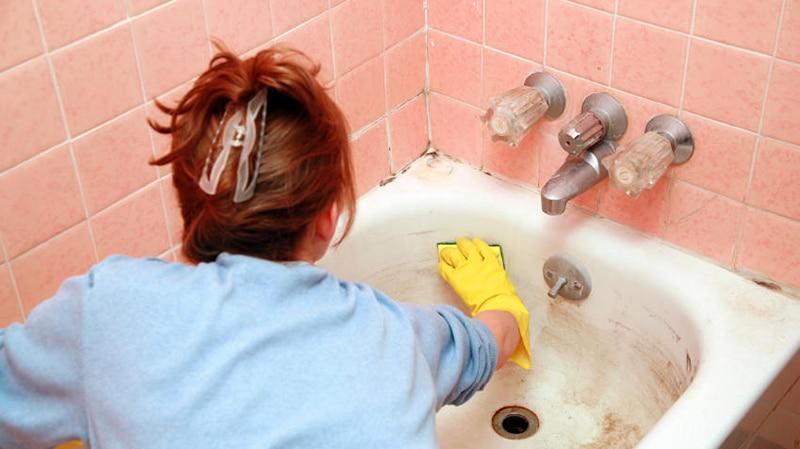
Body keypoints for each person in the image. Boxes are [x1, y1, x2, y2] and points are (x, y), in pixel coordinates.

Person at [0, 44, 530, 449]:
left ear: (190, 202)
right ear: (328, 218)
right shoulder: (396, 339)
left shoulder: (107, 314)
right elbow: (493, 339)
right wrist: (498, 300)